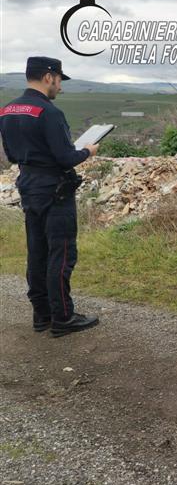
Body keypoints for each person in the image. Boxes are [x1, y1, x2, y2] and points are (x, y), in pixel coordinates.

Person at [0, 57, 100, 337]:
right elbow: (65, 157)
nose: (60, 86)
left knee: (37, 252)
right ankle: (63, 317)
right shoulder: (50, 112)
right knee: (62, 252)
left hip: (28, 185)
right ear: (48, 77)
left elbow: (11, 155)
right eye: (58, 80)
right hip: (55, 190)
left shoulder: (7, 110)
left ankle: (42, 315)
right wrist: (88, 151)